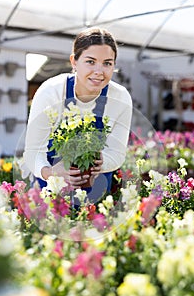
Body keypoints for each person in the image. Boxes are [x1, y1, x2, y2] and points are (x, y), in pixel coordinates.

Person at [22, 27, 133, 196]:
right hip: (49, 188)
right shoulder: (51, 93)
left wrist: (99, 163)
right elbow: (33, 152)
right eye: (90, 61)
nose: (99, 71)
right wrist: (50, 172)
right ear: (74, 61)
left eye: (107, 63)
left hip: (96, 190)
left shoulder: (120, 98)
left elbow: (117, 154)